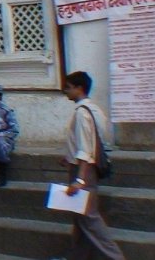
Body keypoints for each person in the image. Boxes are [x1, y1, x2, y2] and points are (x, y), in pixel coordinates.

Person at [61, 71, 125, 260]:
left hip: (83, 171)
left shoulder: (82, 113)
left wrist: (79, 179)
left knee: (89, 219)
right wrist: (69, 157)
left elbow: (85, 149)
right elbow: (94, 143)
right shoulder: (95, 110)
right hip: (87, 168)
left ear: (79, 88)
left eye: (68, 87)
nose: (65, 91)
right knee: (80, 218)